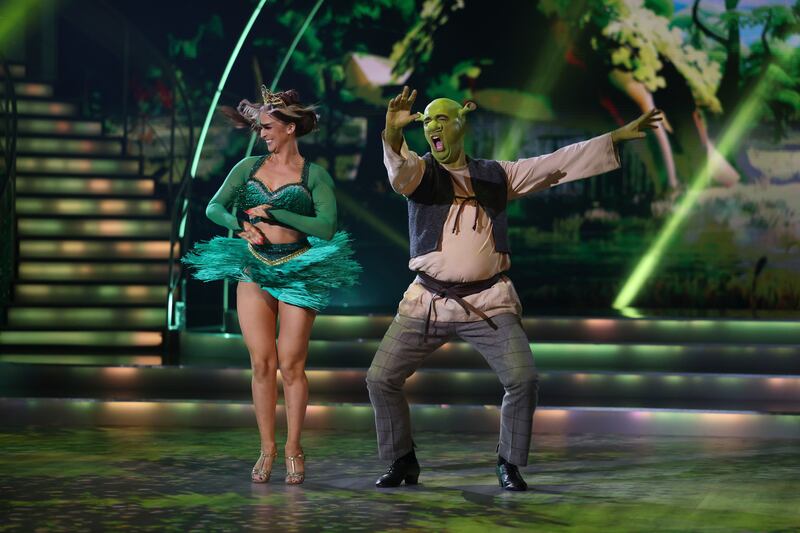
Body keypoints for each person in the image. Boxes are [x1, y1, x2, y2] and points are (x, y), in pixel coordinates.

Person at [366, 86, 661, 490]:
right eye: (427, 120)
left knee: (523, 380)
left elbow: (555, 163)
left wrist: (613, 138)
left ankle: (509, 462)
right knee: (380, 378)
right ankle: (402, 460)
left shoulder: (497, 175)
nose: (433, 127)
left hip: (488, 301)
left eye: (442, 119)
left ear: (460, 123)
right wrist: (391, 132)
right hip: (429, 300)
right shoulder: (420, 173)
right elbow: (398, 169)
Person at [183, 87, 360, 484]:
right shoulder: (247, 167)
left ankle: (295, 448)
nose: (261, 133)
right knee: (262, 363)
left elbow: (326, 227)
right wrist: (240, 225)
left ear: (290, 128)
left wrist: (279, 214)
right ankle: (267, 447)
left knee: (291, 364)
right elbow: (214, 206)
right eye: (259, 127)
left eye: (267, 127)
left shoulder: (314, 175)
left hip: (299, 268)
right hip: (254, 267)